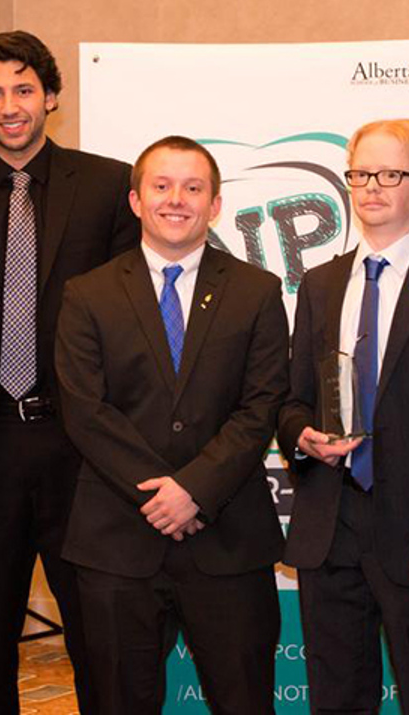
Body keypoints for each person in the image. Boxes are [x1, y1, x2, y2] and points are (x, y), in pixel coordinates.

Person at [0, 30, 138, 713]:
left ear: (51, 97)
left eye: (23, 88)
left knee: (98, 641)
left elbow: (127, 325)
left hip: (80, 449)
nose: (9, 105)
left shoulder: (107, 185)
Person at [55, 136, 287, 714]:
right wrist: (160, 494)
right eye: (161, 186)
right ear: (136, 200)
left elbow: (261, 407)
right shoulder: (88, 294)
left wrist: (194, 492)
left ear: (214, 204)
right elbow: (85, 410)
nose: (175, 199)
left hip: (228, 539)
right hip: (116, 543)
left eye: (193, 187)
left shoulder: (257, 293)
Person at [278, 119, 409, 715]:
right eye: (359, 174)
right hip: (330, 525)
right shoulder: (322, 283)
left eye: (390, 174)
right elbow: (293, 398)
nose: (371, 188)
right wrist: (300, 435)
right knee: (336, 698)